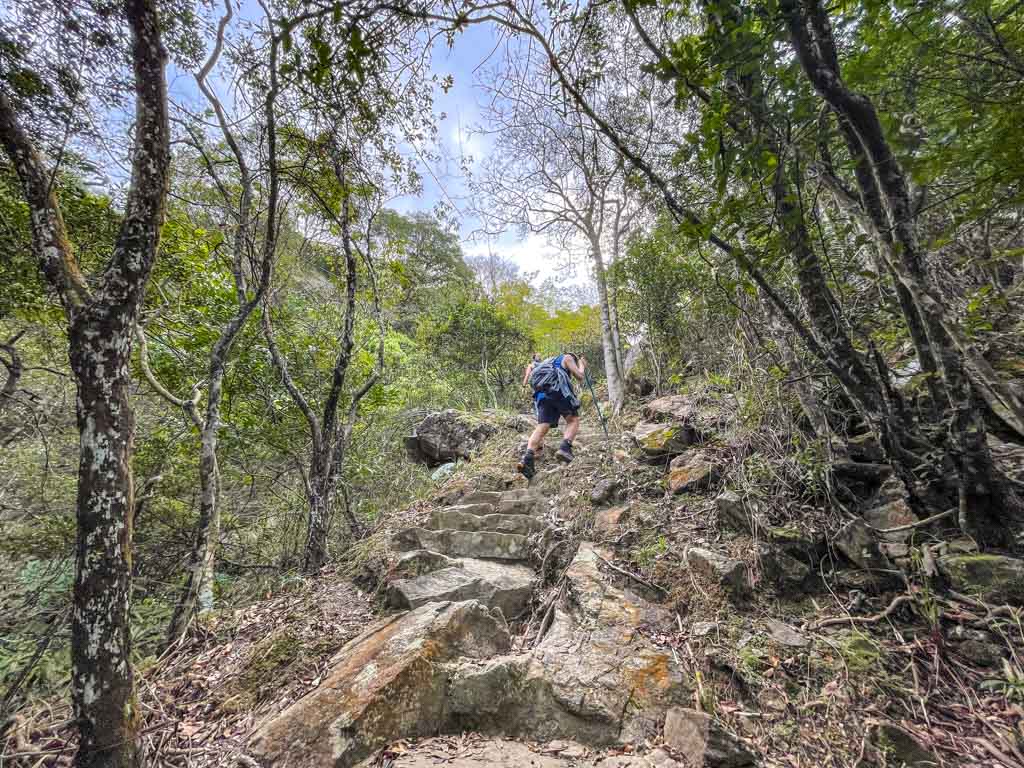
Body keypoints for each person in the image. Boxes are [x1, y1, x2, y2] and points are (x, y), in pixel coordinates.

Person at [518, 352, 587, 479]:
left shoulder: (548, 362)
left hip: (541, 395)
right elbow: (580, 376)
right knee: (573, 420)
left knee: (542, 426)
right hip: (557, 390)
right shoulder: (568, 358)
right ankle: (565, 448)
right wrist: (582, 365)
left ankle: (527, 457)